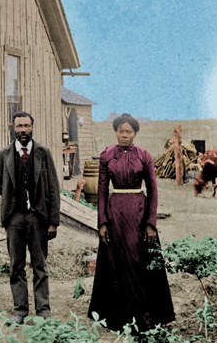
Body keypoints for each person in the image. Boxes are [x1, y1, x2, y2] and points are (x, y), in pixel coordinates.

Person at [88, 113, 175, 332]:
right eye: (120, 131)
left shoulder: (144, 156)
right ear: (115, 132)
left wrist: (151, 223)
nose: (124, 135)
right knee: (116, 261)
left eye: (128, 132)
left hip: (138, 211)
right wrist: (103, 222)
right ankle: (118, 317)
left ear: (135, 133)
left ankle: (147, 313)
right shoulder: (107, 155)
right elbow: (101, 191)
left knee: (139, 259)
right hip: (115, 210)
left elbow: (153, 190)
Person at [0, 111, 60, 323]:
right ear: (12, 127)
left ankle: (43, 310)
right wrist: (13, 200)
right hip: (14, 219)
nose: (23, 130)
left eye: (26, 126)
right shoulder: (4, 155)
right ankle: (20, 310)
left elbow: (53, 189)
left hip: (38, 219)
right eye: (19, 126)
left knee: (40, 265)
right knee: (16, 266)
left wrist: (53, 221)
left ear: (32, 127)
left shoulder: (43, 153)